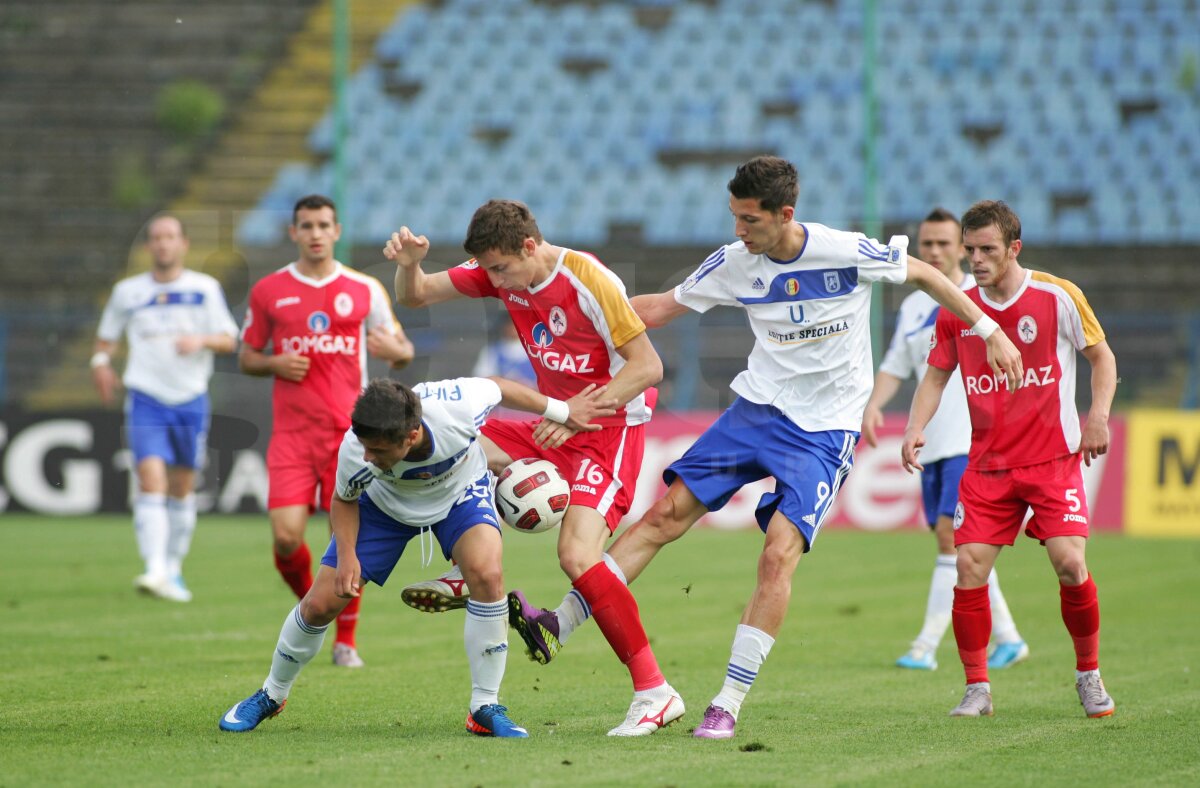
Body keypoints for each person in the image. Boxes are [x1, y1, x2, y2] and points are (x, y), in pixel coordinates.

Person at [508, 156, 1025, 740]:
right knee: (662, 518)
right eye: (733, 217)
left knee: (778, 554)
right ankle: (558, 624)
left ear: (785, 214)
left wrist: (991, 331)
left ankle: (726, 702)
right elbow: (654, 309)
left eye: (749, 219)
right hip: (756, 412)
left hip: (825, 431)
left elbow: (929, 276)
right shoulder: (734, 263)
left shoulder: (843, 249)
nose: (738, 231)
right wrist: (571, 293)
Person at [387, 199, 684, 737]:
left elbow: (649, 366)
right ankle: (467, 568)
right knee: (449, 437)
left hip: (608, 432)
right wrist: (410, 264)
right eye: (488, 270)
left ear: (529, 246)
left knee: (576, 555)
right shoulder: (500, 272)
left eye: (500, 268)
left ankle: (654, 692)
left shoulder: (591, 280)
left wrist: (577, 416)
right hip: (554, 421)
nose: (494, 280)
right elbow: (418, 295)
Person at [218, 375, 614, 736]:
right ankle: (271, 694)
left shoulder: (456, 409)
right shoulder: (356, 450)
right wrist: (349, 556)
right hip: (384, 509)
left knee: (488, 575)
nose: (368, 456)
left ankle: (485, 706)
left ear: (410, 436)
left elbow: (498, 386)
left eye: (378, 449)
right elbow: (344, 499)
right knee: (321, 604)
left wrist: (563, 411)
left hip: (459, 495)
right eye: (365, 448)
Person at [901, 200, 1118, 718]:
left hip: (1052, 460)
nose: (975, 259)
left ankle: (1089, 675)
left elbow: (1101, 357)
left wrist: (1098, 416)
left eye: (987, 250)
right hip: (987, 465)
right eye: (970, 249)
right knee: (968, 567)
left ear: (1013, 248)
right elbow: (935, 374)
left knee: (1069, 562)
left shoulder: (1058, 296)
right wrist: (914, 426)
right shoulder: (958, 308)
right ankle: (977, 688)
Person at [240, 194, 414, 668]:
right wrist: (274, 361)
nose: (315, 233)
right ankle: (317, 613)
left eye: (323, 225)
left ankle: (346, 639)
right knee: (286, 538)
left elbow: (402, 349)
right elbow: (247, 356)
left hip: (350, 438)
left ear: (336, 231)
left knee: (348, 542)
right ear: (293, 233)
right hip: (292, 436)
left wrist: (393, 350)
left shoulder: (363, 289)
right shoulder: (269, 291)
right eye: (305, 225)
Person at [862, 208, 1028, 672]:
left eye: (943, 244)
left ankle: (925, 645)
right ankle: (1011, 638)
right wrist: (875, 405)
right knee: (958, 544)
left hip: (970, 440)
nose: (933, 252)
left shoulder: (979, 300)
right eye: (926, 244)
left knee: (950, 539)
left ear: (963, 247)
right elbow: (897, 364)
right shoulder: (916, 304)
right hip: (931, 442)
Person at [92, 213, 239, 602]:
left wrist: (201, 339)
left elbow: (229, 339)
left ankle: (173, 568)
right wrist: (101, 365)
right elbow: (105, 341)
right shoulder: (127, 292)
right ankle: (154, 568)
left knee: (182, 486)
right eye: (156, 238)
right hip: (145, 397)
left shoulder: (204, 288)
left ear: (183, 244)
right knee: (149, 477)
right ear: (147, 247)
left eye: (170, 237)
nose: (162, 244)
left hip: (190, 399)